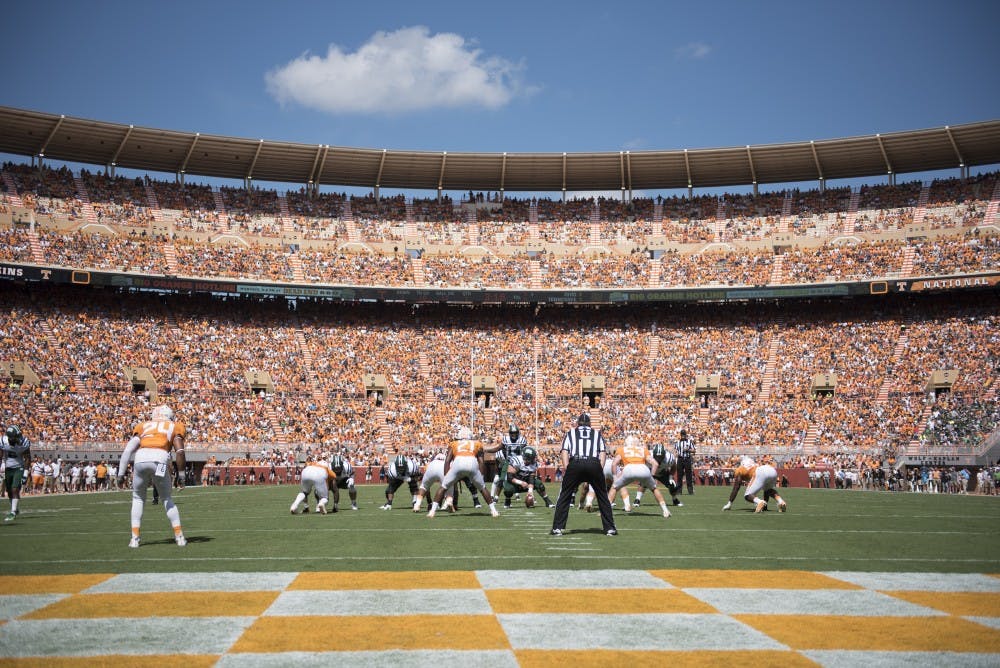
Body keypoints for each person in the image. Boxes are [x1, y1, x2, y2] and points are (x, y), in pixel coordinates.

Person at [116, 404, 188, 548]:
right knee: (166, 498)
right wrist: (181, 476)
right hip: (160, 459)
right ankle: (179, 537)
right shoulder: (174, 426)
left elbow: (128, 450)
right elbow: (179, 452)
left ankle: (134, 539)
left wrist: (121, 474)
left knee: (137, 498)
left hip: (140, 459)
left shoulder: (143, 426)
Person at [551, 413, 617, 536]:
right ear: (589, 424)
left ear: (578, 423)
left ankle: (558, 528)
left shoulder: (571, 433)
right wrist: (599, 468)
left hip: (576, 462)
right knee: (602, 496)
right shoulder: (597, 434)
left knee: (565, 495)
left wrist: (567, 467)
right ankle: (610, 528)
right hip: (593, 463)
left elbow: (565, 451)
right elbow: (602, 453)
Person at [427, 426, 500, 518]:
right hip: (472, 462)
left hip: (458, 462)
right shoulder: (477, 443)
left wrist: (446, 475)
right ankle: (494, 511)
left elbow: (447, 460)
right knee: (482, 488)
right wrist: (481, 475)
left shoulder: (454, 443)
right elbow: (481, 462)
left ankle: (432, 512)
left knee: (443, 487)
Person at [607, 435, 672, 518]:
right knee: (654, 489)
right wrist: (651, 476)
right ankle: (665, 510)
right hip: (643, 469)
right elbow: (655, 464)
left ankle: (606, 512)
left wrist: (615, 477)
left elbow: (614, 463)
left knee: (614, 487)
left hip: (629, 469)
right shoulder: (643, 450)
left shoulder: (621, 449)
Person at [723, 456, 787, 513]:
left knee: (747, 495)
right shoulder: (754, 465)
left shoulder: (740, 469)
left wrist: (730, 503)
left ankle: (759, 502)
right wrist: (765, 506)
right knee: (768, 490)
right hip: (771, 470)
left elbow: (736, 487)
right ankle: (781, 501)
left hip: (760, 472)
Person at [635, 443, 683, 508]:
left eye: (660, 457)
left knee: (672, 485)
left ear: (664, 455)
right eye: (657, 457)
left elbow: (674, 467)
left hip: (662, 472)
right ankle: (637, 499)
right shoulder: (648, 455)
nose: (658, 459)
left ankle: (675, 499)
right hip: (650, 470)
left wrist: (671, 477)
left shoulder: (669, 457)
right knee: (643, 482)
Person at [1, 425, 31, 522]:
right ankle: (15, 508)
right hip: (8, 468)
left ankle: (13, 512)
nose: (19, 438)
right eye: (16, 437)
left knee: (15, 489)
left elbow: (27, 458)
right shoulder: (3, 441)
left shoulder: (24, 442)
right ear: (10, 437)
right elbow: (0, 455)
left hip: (19, 467)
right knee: (9, 492)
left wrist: (25, 473)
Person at [491, 423, 527, 498]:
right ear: (510, 433)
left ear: (518, 433)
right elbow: (498, 448)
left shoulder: (522, 440)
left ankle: (529, 494)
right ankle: (496, 497)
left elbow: (525, 451)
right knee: (502, 478)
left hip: (519, 462)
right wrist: (488, 450)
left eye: (515, 433)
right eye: (512, 433)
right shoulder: (505, 439)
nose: (513, 435)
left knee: (526, 477)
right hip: (509, 462)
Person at [676, 429, 696, 494]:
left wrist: (688, 450)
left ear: (686, 435)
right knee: (679, 475)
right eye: (682, 434)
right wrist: (676, 454)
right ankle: (679, 491)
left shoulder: (689, 442)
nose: (683, 436)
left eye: (684, 434)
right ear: (680, 435)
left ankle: (690, 491)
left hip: (687, 459)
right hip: (680, 459)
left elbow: (694, 450)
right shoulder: (677, 442)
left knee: (689, 475)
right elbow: (675, 451)